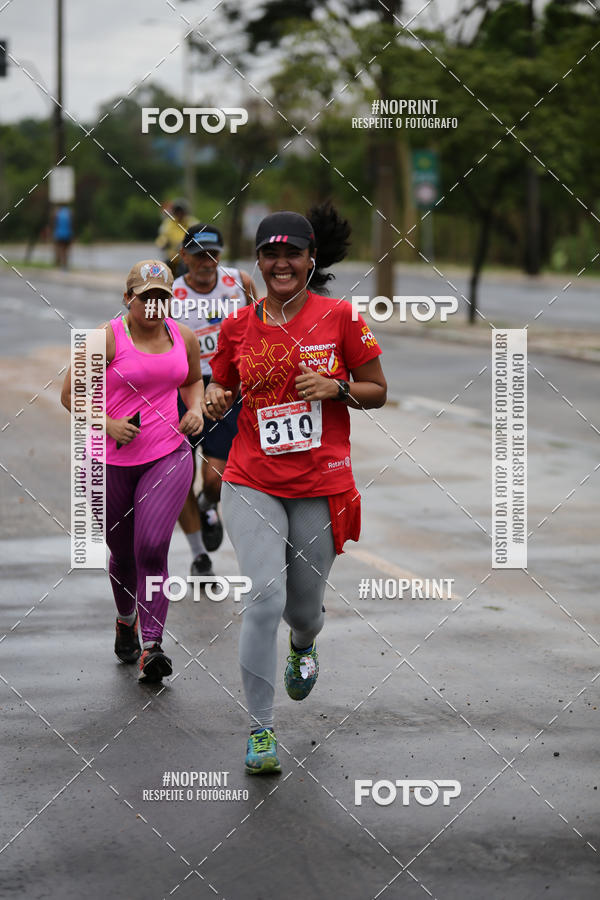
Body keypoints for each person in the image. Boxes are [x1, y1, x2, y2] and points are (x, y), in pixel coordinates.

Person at [203, 204, 387, 773]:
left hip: (318, 483)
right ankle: (261, 730)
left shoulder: (341, 318)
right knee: (265, 599)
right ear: (257, 262)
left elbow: (377, 389)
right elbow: (221, 388)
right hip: (251, 478)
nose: (281, 263)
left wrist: (337, 388)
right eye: (270, 253)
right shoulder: (238, 327)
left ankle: (304, 645)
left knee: (303, 612)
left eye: (292, 253)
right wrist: (213, 399)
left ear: (310, 260)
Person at [60, 260, 204, 682]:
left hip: (168, 453)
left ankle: (153, 645)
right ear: (128, 298)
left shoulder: (185, 337)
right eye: (147, 298)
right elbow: (71, 395)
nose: (155, 306)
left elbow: (193, 380)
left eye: (163, 297)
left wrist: (194, 408)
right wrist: (107, 424)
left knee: (153, 547)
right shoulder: (105, 339)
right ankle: (127, 620)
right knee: (122, 553)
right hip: (108, 462)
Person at [171, 224, 258, 580]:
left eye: (213, 254)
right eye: (199, 255)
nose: (207, 262)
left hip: (226, 387)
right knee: (178, 478)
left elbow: (261, 324)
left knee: (216, 479)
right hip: (183, 388)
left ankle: (208, 506)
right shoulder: (170, 293)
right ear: (185, 257)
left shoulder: (240, 282)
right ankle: (198, 556)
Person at [155, 199, 196, 276]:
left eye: (181, 211)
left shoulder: (192, 223)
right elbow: (162, 239)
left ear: (186, 212)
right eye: (177, 211)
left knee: (185, 267)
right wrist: (163, 243)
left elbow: (198, 236)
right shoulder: (167, 224)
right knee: (161, 272)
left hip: (189, 257)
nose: (179, 213)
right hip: (173, 258)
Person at [53, 205, 73, 270]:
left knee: (61, 250)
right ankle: (65, 265)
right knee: (66, 251)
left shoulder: (57, 213)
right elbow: (71, 224)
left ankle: (60, 264)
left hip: (59, 234)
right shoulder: (69, 213)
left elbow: (55, 224)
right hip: (67, 234)